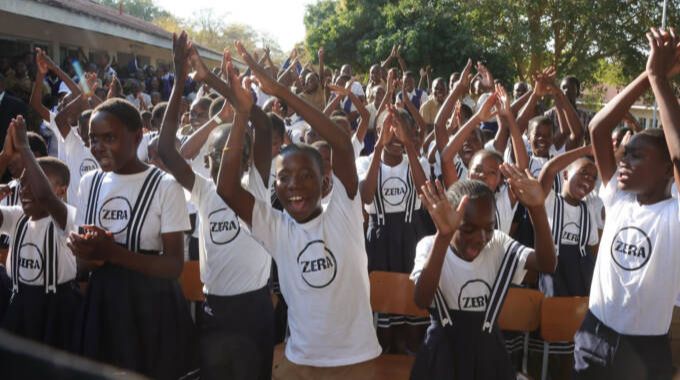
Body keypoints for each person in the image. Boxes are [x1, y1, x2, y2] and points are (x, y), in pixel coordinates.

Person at [219, 41, 381, 378]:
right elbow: (228, 189)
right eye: (285, 178)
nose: (294, 185)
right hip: (299, 363)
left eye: (307, 176)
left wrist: (279, 90)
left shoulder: (344, 212)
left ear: (326, 184)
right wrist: (240, 113)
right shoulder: (276, 228)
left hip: (356, 362)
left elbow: (339, 141)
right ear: (275, 187)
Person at [158, 35, 274, 380]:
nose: (225, 164)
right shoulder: (204, 191)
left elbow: (264, 126)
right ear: (207, 162)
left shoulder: (258, 186)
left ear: (247, 158)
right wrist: (181, 80)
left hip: (253, 308)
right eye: (216, 158)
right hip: (214, 310)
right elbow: (165, 150)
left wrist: (218, 85)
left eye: (234, 156)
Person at [572, 28, 680, 380]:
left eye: (637, 156)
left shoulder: (674, 213)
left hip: (646, 352)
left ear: (666, 168)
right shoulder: (618, 198)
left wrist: (660, 81)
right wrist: (647, 76)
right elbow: (598, 130)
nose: (624, 161)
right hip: (594, 334)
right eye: (626, 153)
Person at [67, 95, 196, 378]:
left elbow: (174, 266)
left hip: (151, 309)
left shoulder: (165, 186)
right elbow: (86, 265)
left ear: (137, 136)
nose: (98, 148)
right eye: (93, 139)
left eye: (109, 137)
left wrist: (112, 252)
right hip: (103, 305)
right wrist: (84, 252)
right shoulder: (90, 183)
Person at [410, 165, 556, 379]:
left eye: (488, 228)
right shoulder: (429, 245)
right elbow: (422, 299)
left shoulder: (497, 243)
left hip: (489, 355)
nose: (480, 238)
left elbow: (547, 264)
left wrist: (537, 209)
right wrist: (443, 237)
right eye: (468, 229)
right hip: (442, 354)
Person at [1, 116, 80, 351]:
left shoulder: (66, 218)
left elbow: (45, 197)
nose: (26, 191)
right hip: (20, 306)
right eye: (23, 184)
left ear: (62, 190)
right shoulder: (18, 218)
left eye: (36, 183)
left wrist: (24, 146)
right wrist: (5, 157)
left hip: (56, 311)